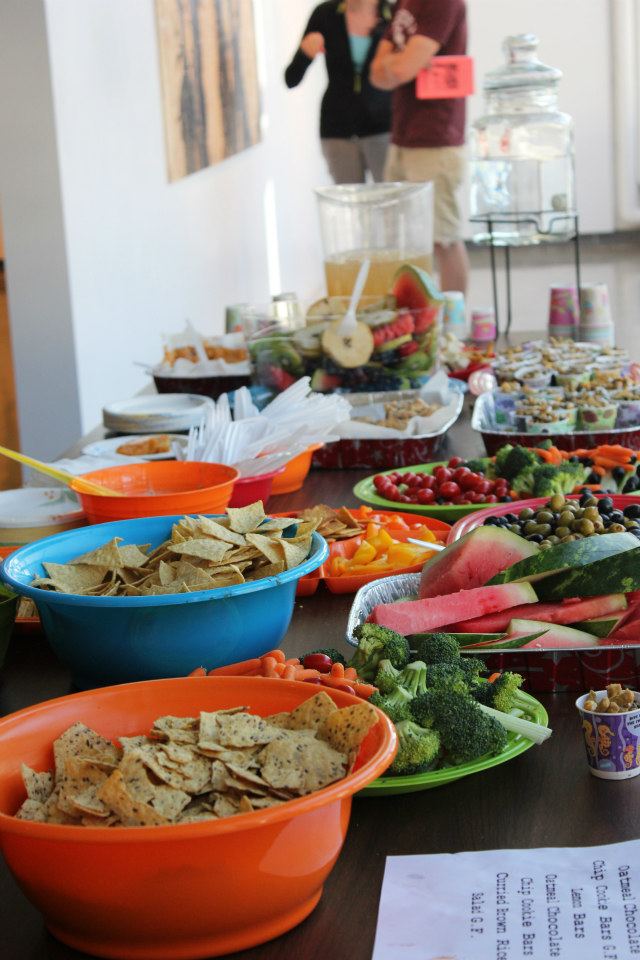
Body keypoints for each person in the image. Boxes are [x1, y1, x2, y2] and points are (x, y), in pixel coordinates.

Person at [370, 0, 469, 293]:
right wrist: (401, 62)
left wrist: (396, 62)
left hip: (436, 138)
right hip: (402, 136)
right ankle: (418, 315)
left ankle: (453, 317)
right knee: (401, 240)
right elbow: (376, 74)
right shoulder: (404, 3)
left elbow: (401, 70)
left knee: (443, 238)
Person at [284, 1, 394, 184]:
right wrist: (305, 54)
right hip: (337, 129)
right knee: (349, 201)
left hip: (383, 127)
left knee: (390, 197)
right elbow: (291, 79)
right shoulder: (325, 14)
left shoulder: (393, 14)